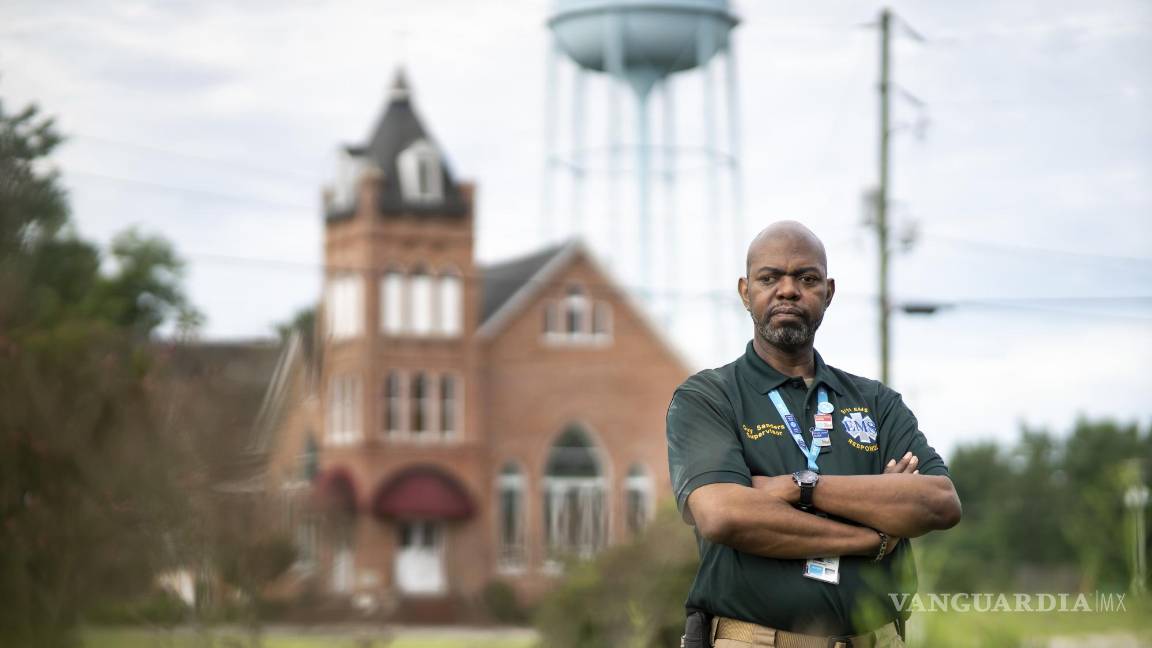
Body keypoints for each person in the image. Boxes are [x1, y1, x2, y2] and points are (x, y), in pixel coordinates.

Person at [666, 221, 961, 648]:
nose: (788, 290)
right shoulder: (709, 397)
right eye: (770, 278)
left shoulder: (875, 402)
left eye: (807, 278)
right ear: (745, 292)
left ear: (829, 291)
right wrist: (872, 536)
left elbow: (939, 503)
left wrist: (799, 488)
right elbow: (723, 514)